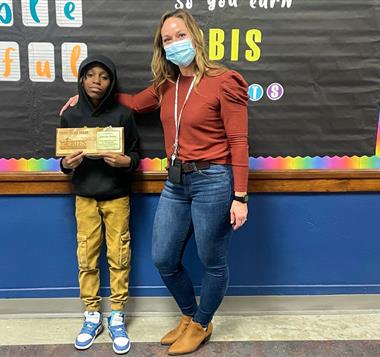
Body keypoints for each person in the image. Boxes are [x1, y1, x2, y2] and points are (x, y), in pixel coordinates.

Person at [61, 9, 249, 355]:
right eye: (167, 39)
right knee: (163, 258)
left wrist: (240, 195)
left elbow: (239, 141)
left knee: (212, 260)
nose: (175, 43)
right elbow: (132, 103)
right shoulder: (167, 85)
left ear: (195, 36)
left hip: (213, 180)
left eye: (180, 35)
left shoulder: (225, 80)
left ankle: (202, 323)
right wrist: (87, 96)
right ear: (161, 48)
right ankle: (190, 316)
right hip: (176, 182)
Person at [60, 54, 140, 354]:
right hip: (84, 197)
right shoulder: (70, 115)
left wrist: (125, 161)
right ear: (81, 79)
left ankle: (117, 313)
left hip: (117, 196)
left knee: (119, 254)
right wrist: (67, 164)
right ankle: (92, 314)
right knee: (87, 257)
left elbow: (134, 154)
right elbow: (64, 161)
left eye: (104, 76)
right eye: (90, 75)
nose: (97, 81)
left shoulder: (123, 115)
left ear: (112, 81)